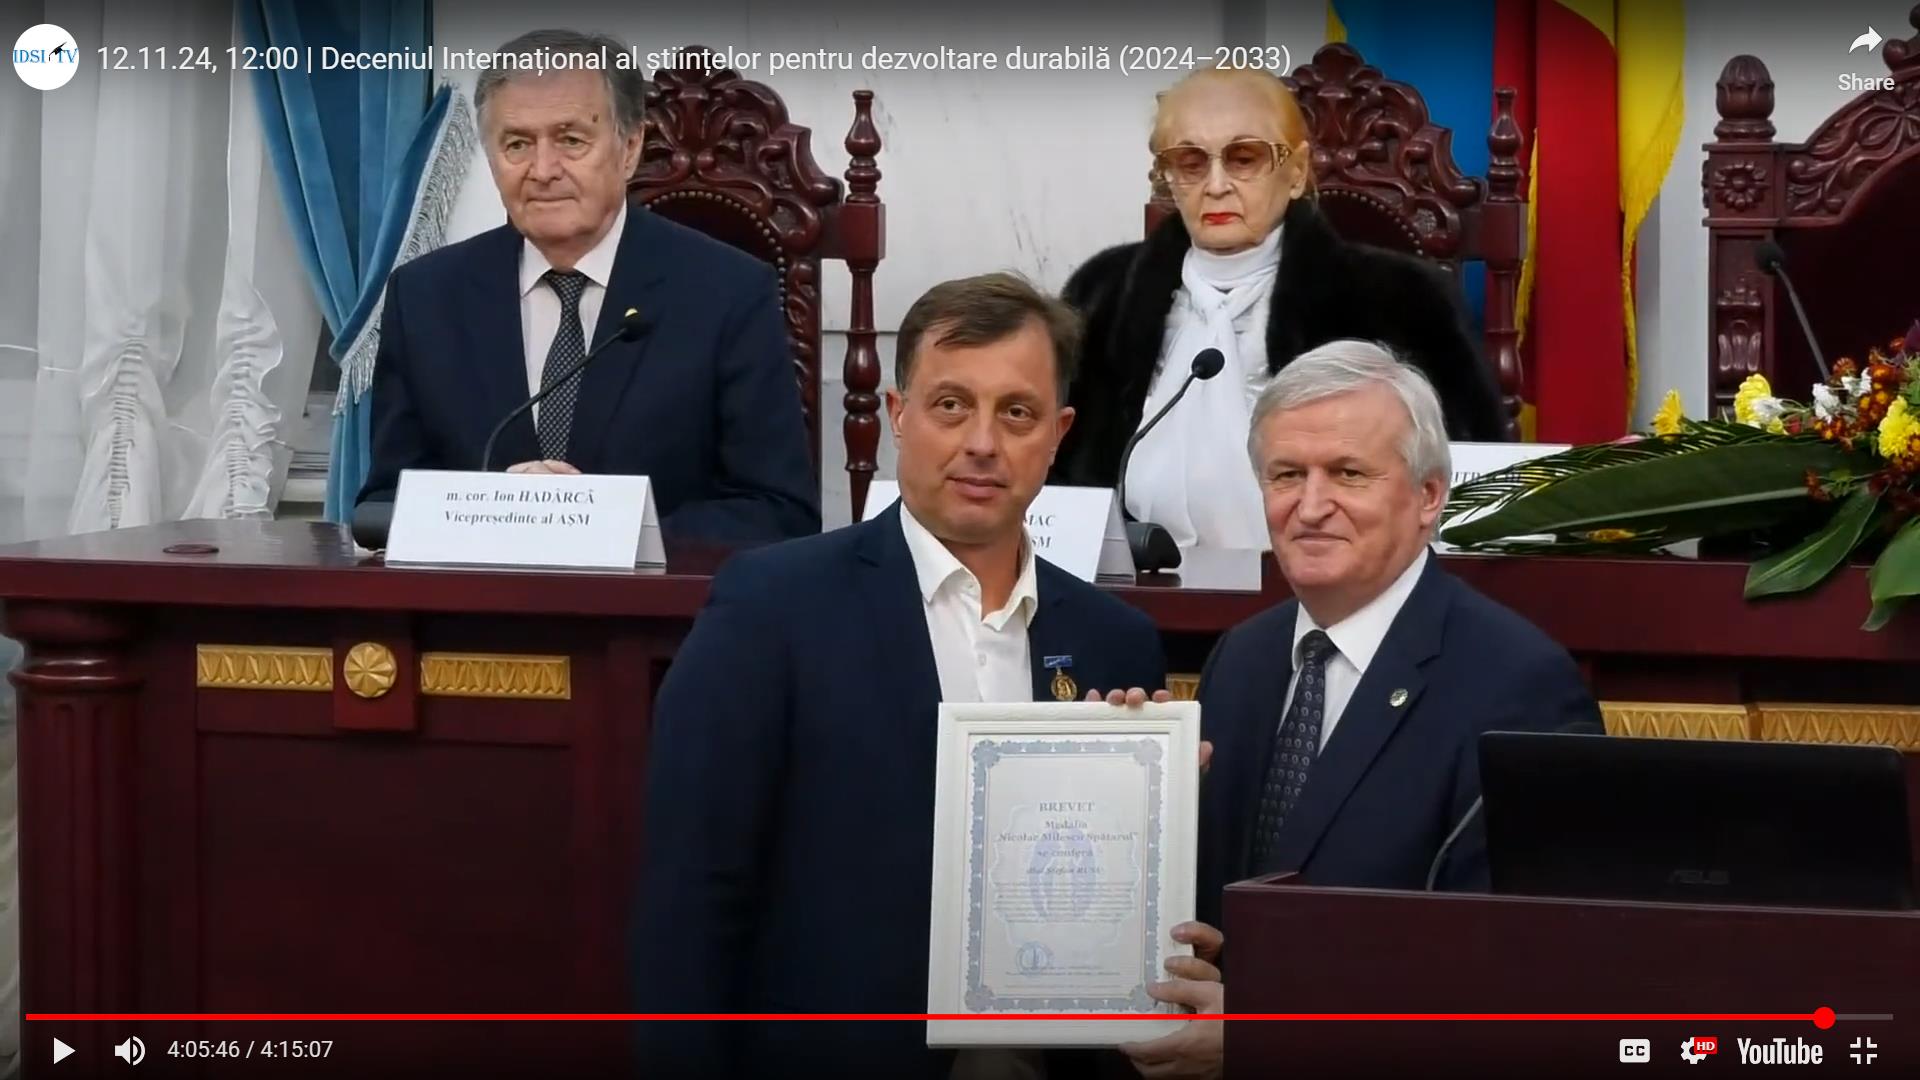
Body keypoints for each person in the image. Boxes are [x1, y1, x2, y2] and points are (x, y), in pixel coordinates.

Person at [631, 273, 1171, 1078]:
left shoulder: (1114, 640)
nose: (982, 443)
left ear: (1058, 433)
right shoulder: (772, 608)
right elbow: (691, 897)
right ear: (897, 415)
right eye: (951, 405)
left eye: (1016, 413)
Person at [1118, 341, 1599, 1079]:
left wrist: (1267, 1037)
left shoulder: (1521, 687)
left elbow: (1522, 977)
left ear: (1429, 497)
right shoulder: (1242, 658)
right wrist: (1128, 798)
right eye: (1287, 475)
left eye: (1348, 474)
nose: (1310, 507)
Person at [357, 28, 819, 543]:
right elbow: (381, 508)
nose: (543, 170)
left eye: (571, 140)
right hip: (478, 593)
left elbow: (781, 513)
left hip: (656, 594)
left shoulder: (728, 292)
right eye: (517, 144)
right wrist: (493, 511)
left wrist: (606, 527)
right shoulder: (424, 298)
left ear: (630, 147)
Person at [1051, 66, 1509, 551]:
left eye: (1244, 158)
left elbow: (1469, 477)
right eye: (1190, 162)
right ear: (1168, 177)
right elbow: (1048, 462)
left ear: (1294, 172)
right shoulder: (1101, 291)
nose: (1216, 185)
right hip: (1132, 579)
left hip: (1331, 576)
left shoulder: (1401, 298)